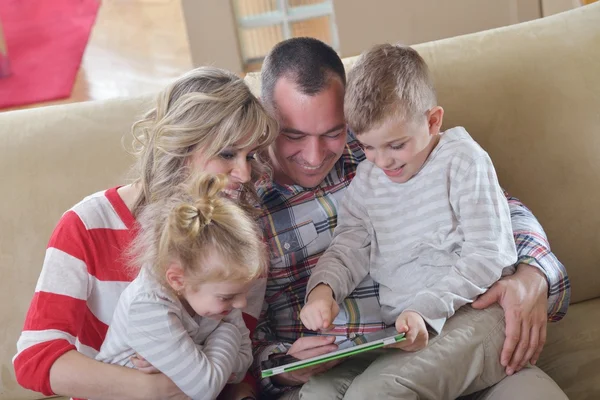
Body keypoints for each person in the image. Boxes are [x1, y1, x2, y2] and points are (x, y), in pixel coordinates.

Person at [252, 37, 570, 399]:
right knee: (321, 393)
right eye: (294, 135)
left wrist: (534, 272)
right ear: (266, 116)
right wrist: (319, 298)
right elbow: (348, 245)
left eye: (333, 133)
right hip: (385, 346)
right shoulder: (244, 204)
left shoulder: (388, 142)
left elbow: (499, 220)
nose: (314, 154)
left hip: (461, 319)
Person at [13, 66, 278, 400]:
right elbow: (35, 361)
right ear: (180, 145)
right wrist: (150, 388)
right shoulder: (86, 224)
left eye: (250, 156)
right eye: (227, 153)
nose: (244, 172)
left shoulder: (239, 243)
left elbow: (236, 363)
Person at [299, 43, 517, 399]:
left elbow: (490, 255)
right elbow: (349, 245)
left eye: (396, 145)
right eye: (368, 147)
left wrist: (424, 311)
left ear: (433, 121)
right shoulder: (368, 181)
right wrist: (324, 290)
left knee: (374, 393)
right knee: (319, 392)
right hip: (407, 331)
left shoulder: (463, 160)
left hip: (478, 316)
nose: (382, 161)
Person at [96, 173, 267, 400]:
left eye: (243, 292)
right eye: (228, 296)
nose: (241, 304)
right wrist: (228, 332)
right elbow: (205, 389)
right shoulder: (148, 305)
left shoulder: (218, 299)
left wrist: (197, 363)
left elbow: (244, 362)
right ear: (177, 279)